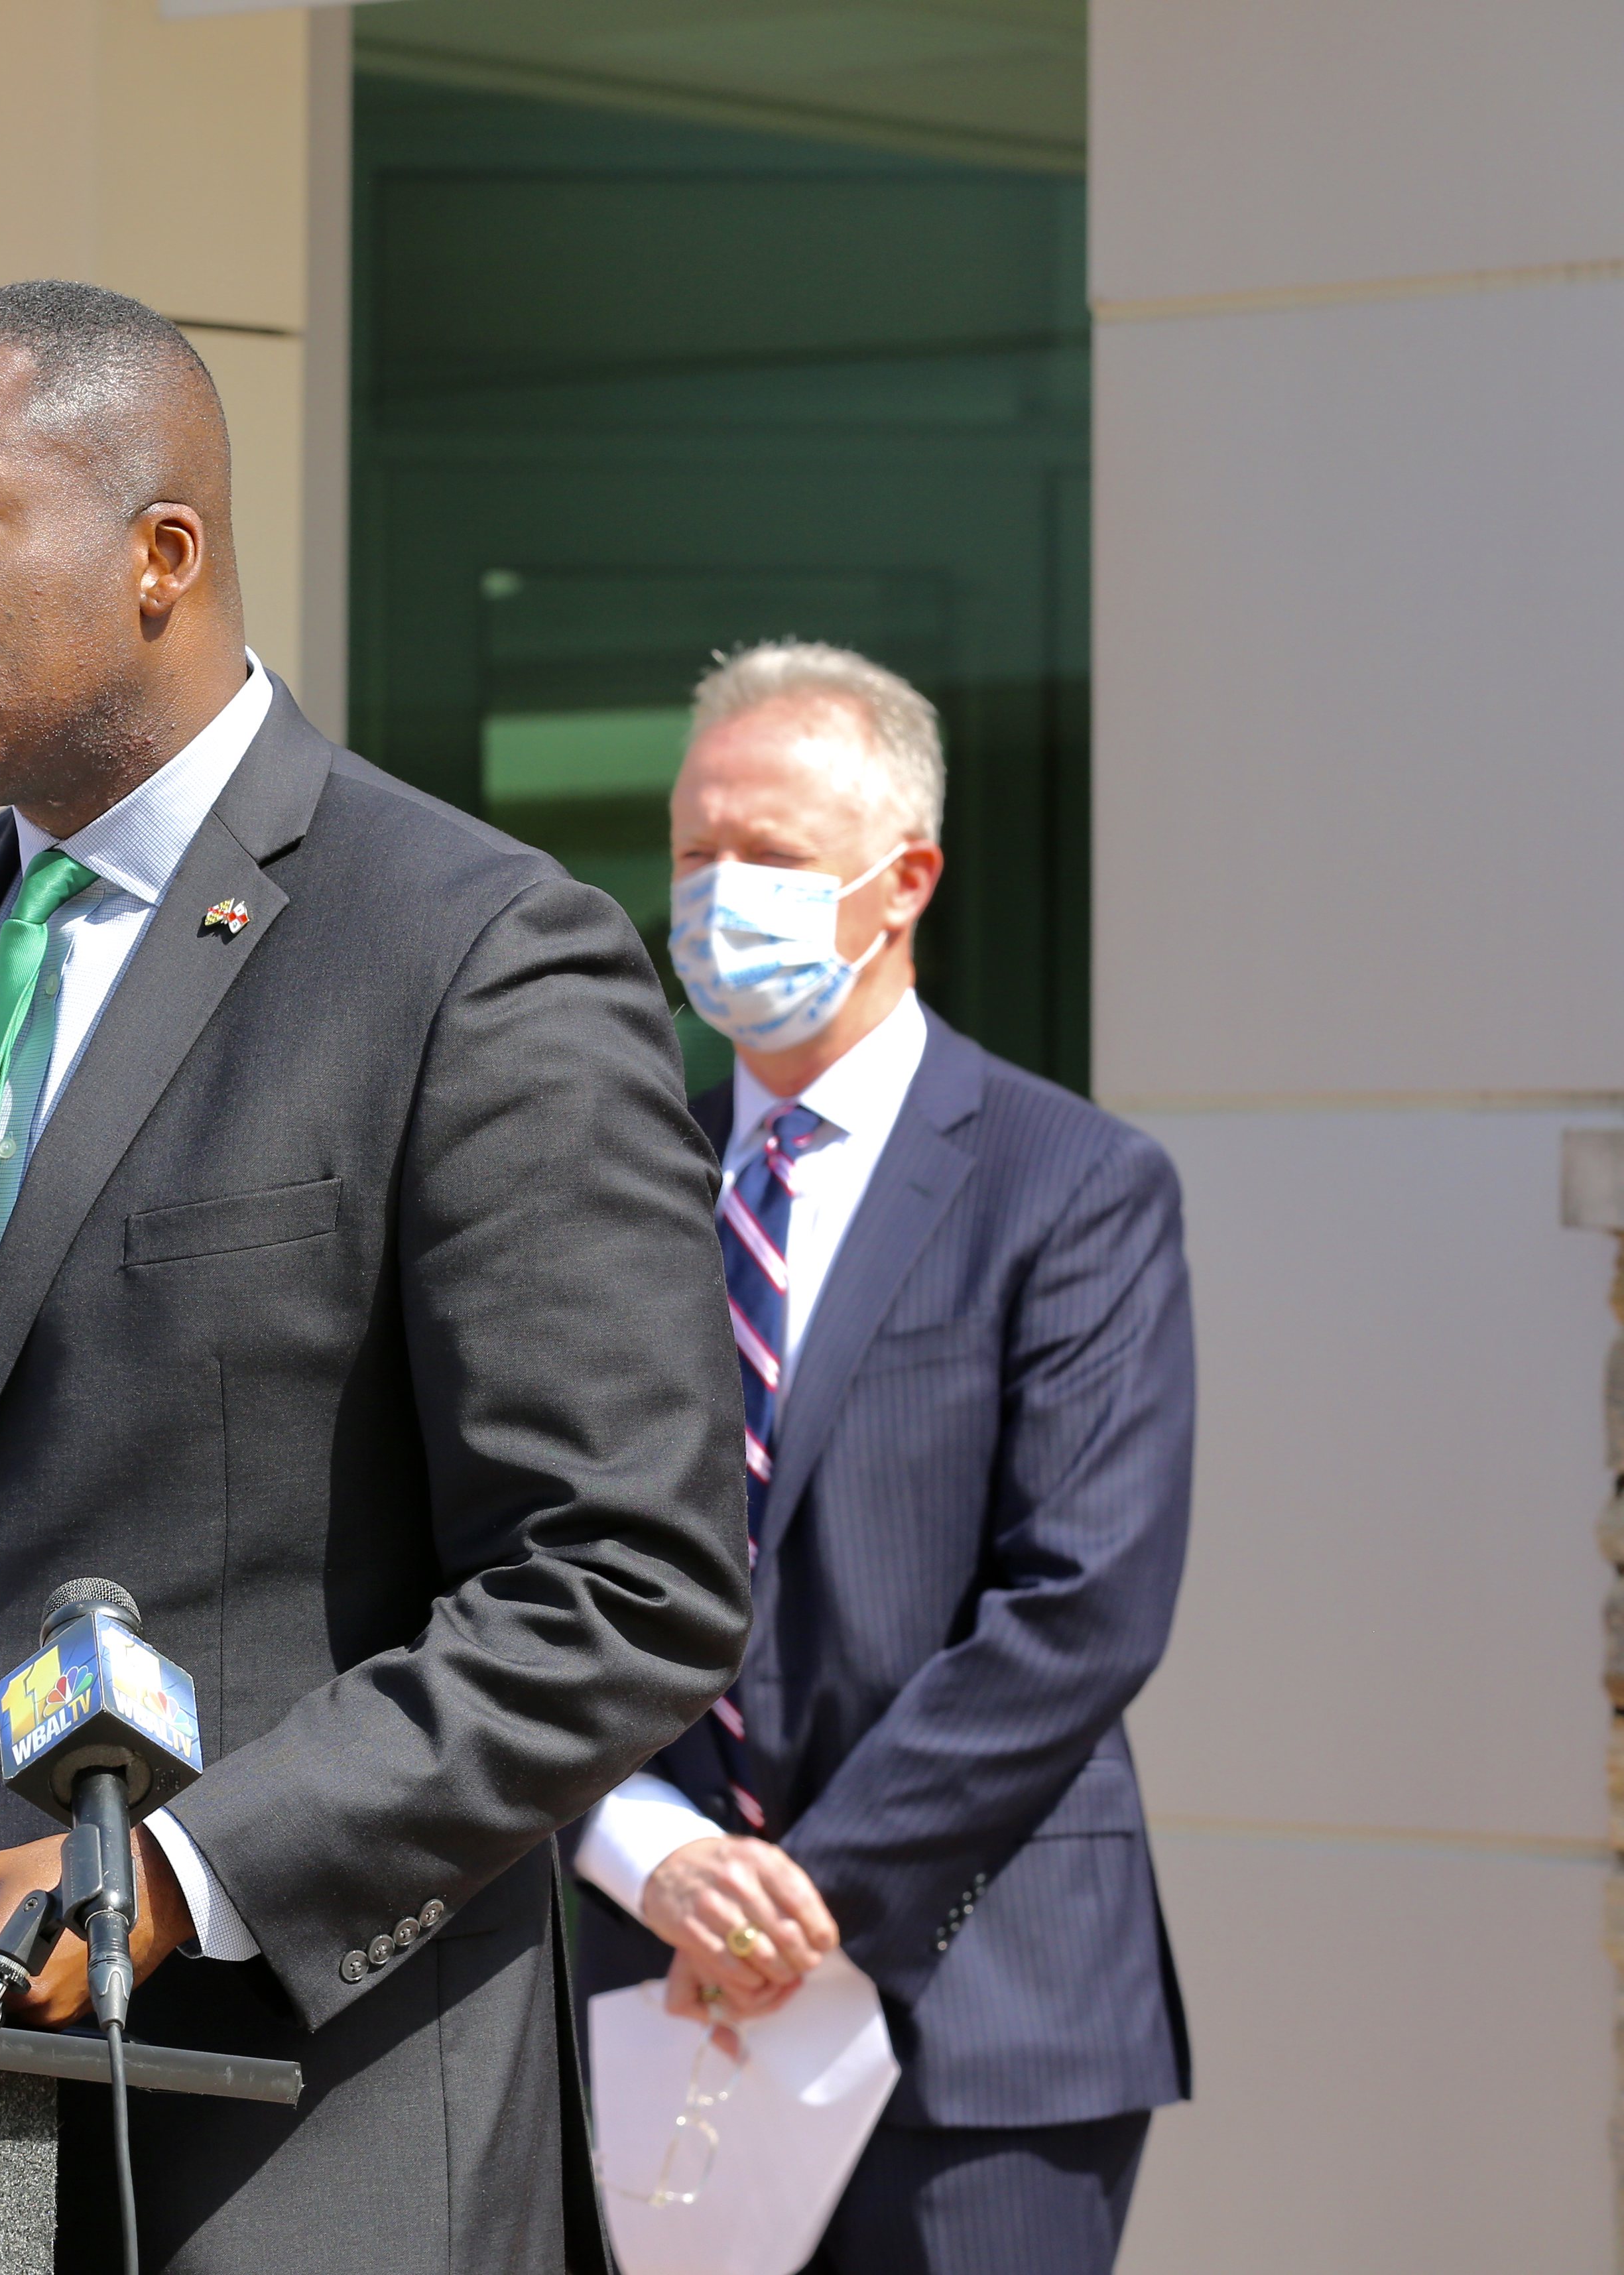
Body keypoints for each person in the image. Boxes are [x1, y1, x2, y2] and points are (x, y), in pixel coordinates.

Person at [0, 278, 752, 2271]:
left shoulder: (467, 956)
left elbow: (619, 1581)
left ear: (160, 554)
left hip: (286, 2151)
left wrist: (171, 1871)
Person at [565, 642, 1194, 2274]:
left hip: (981, 2017)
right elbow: (528, 1554)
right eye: (694, 852)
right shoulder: (613, 1178)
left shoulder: (1070, 1183)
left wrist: (805, 1890)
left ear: (902, 879)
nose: (716, 895)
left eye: (768, 854)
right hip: (642, 1980)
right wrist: (646, 1848)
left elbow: (1083, 1603)